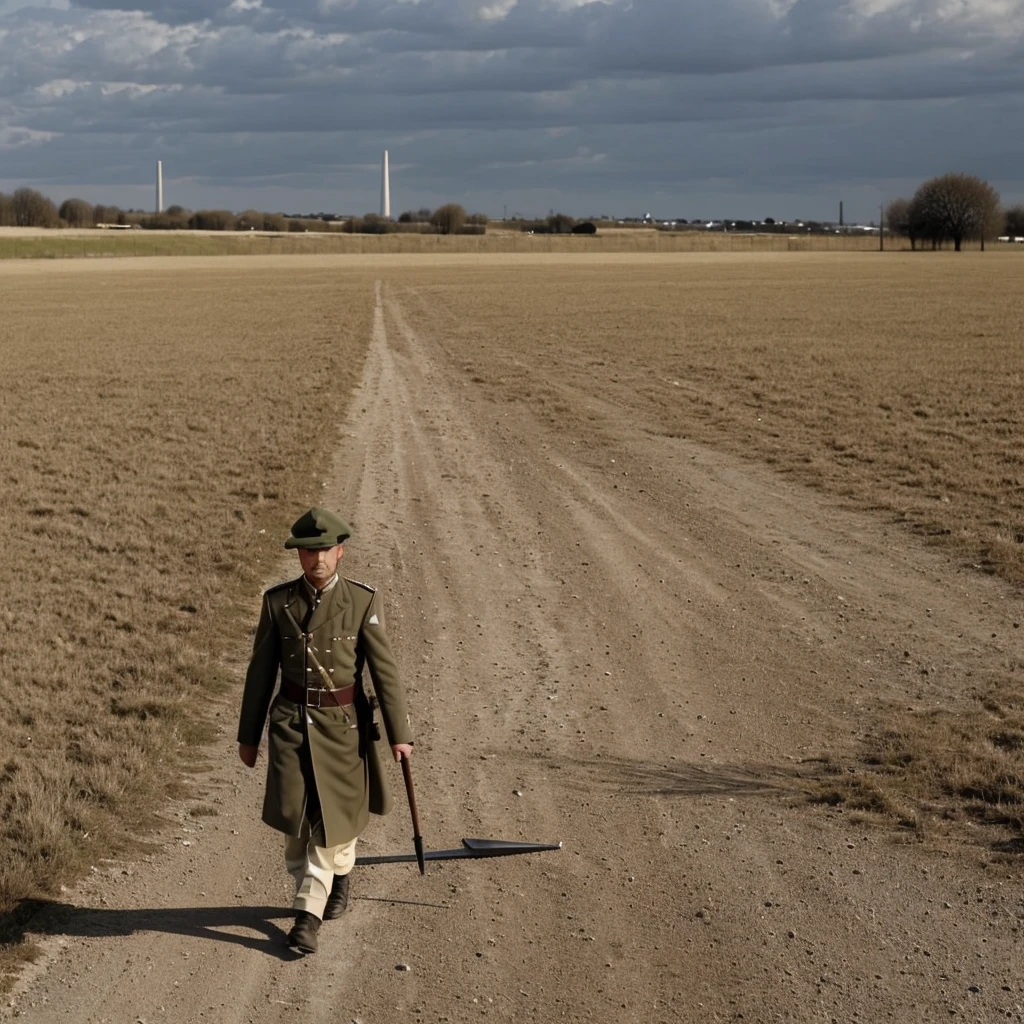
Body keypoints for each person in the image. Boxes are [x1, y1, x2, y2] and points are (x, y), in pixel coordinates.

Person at [237, 507, 413, 955]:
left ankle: (306, 915)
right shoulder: (278, 603)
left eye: (326, 551)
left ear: (341, 552)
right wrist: (249, 734)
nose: (318, 560)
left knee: (330, 820)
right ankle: (337, 875)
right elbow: (260, 673)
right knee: (297, 823)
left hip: (343, 728)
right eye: (309, 552)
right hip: (292, 724)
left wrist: (400, 732)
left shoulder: (361, 601)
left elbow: (384, 671)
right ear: (300, 556)